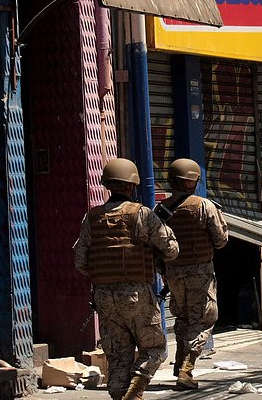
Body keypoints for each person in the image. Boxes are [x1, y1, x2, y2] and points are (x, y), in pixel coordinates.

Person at [73, 158, 179, 400]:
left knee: (118, 355)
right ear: (132, 186)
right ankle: (135, 389)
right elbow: (171, 250)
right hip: (137, 294)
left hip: (103, 296)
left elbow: (80, 262)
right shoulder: (141, 214)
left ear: (108, 185)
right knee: (153, 348)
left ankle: (122, 395)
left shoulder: (92, 218)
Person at [154, 158, 228, 390]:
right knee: (204, 319)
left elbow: (155, 246)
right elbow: (221, 240)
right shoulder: (204, 206)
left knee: (183, 318)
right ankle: (186, 369)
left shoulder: (160, 210)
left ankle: (179, 362)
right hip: (200, 273)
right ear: (191, 181)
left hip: (173, 274)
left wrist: (164, 271)